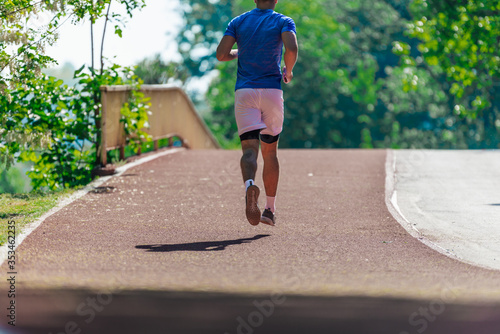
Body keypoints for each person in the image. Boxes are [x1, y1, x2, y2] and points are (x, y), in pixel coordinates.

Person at [216, 0, 298, 226]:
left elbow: (221, 54)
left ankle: (249, 185)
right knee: (269, 152)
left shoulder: (238, 22)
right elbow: (291, 48)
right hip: (272, 91)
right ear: (275, 0)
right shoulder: (283, 21)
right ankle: (269, 210)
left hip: (245, 92)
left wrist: (239, 51)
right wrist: (288, 72)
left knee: (249, 151)